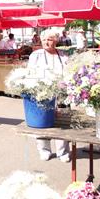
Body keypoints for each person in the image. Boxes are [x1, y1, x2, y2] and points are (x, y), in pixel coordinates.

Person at [27, 29, 70, 162]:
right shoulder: (36, 55)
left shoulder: (63, 55)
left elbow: (68, 72)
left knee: (63, 123)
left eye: (50, 39)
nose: (46, 42)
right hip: (42, 93)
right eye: (44, 39)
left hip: (61, 93)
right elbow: (30, 73)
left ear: (56, 41)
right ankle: (44, 150)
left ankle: (63, 152)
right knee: (42, 122)